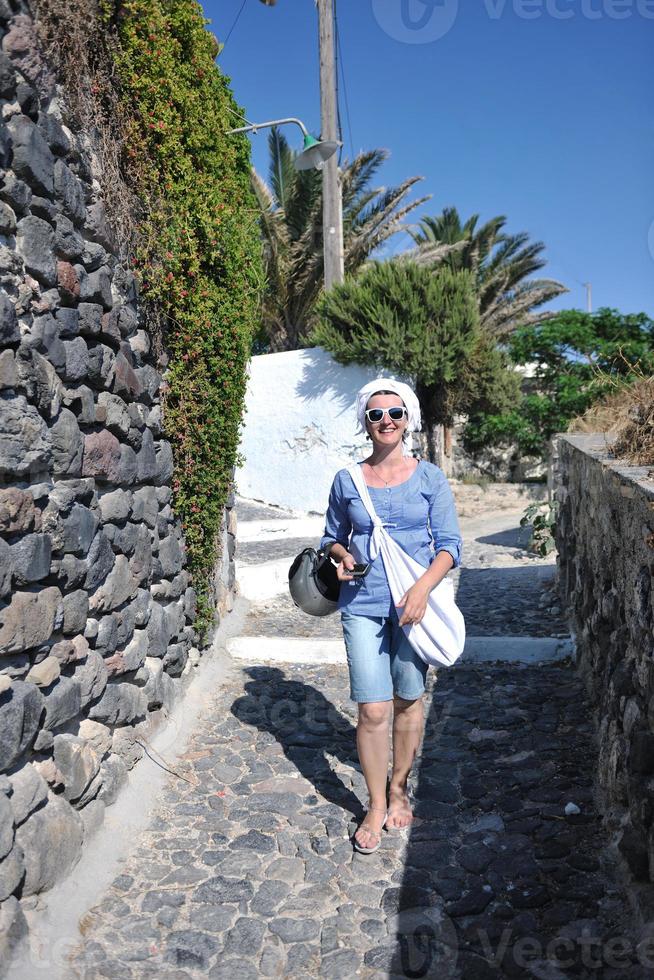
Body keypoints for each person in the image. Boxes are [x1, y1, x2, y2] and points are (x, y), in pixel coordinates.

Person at [320, 378, 462, 854]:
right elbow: (331, 537)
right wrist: (342, 555)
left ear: (409, 420)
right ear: (365, 421)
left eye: (395, 414)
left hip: (411, 607)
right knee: (373, 707)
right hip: (360, 602)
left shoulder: (429, 478)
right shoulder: (348, 479)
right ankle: (376, 803)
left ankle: (400, 786)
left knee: (407, 699)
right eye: (376, 414)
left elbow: (449, 547)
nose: (386, 421)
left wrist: (422, 589)